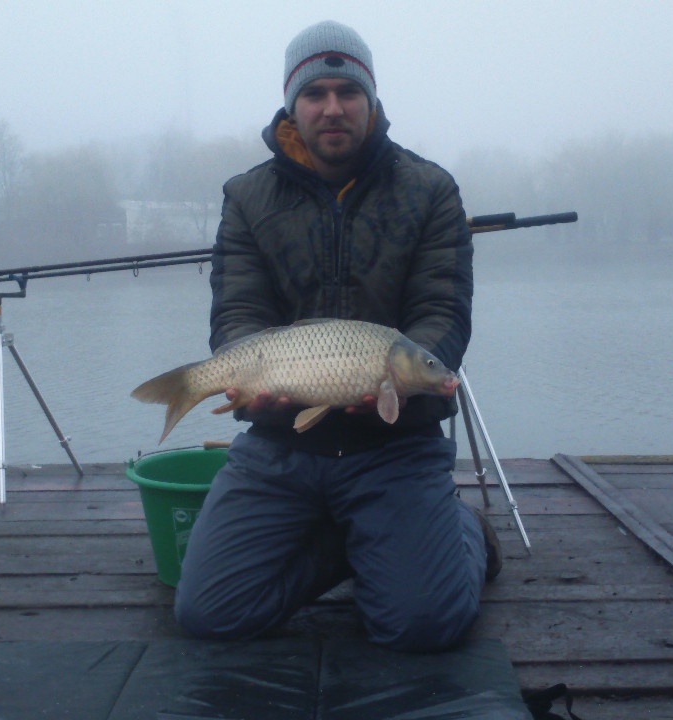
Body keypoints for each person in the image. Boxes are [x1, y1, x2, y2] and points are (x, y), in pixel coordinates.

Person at [173, 20, 499, 653]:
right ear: (293, 105)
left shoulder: (430, 190)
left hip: (394, 446)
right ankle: (354, 544)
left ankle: (462, 533)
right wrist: (248, 381)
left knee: (420, 627)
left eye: (347, 92)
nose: (332, 108)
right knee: (209, 615)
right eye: (315, 93)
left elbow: (443, 314)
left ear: (371, 102)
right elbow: (236, 313)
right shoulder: (246, 196)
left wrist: (411, 375)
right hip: (280, 447)